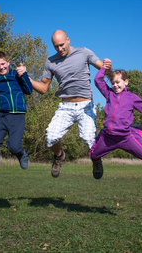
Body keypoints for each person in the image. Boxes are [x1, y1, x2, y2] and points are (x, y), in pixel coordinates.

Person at [29, 30, 111, 178]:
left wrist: (108, 67)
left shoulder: (84, 52)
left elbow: (104, 70)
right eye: (56, 47)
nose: (60, 49)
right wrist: (27, 80)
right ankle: (59, 156)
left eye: (62, 45)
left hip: (85, 105)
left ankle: (96, 159)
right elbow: (43, 88)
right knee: (50, 137)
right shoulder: (51, 62)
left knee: (89, 139)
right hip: (65, 107)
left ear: (68, 40)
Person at [89, 60, 142, 179]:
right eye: (113, 83)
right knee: (93, 154)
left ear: (126, 82)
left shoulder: (131, 98)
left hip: (125, 137)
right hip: (108, 137)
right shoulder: (109, 94)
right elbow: (98, 80)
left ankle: (136, 131)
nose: (115, 85)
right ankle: (98, 163)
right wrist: (103, 68)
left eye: (118, 82)